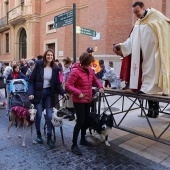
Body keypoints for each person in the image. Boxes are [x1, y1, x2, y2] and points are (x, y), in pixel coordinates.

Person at [113, 1, 170, 118]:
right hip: (144, 56)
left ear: (143, 8)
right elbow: (131, 41)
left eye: (137, 12)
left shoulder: (156, 16)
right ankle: (150, 103)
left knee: (154, 72)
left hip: (156, 53)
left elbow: (166, 29)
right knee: (145, 72)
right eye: (134, 13)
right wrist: (121, 46)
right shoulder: (138, 23)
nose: (136, 15)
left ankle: (154, 104)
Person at [28, 49, 68, 149]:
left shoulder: (55, 68)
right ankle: (38, 134)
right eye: (48, 55)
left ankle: (49, 137)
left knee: (49, 116)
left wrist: (63, 93)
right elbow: (31, 81)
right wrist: (31, 93)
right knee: (39, 115)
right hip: (38, 94)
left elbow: (58, 85)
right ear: (45, 56)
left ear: (53, 57)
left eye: (51, 55)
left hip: (49, 94)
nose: (50, 56)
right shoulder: (38, 66)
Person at [65, 52, 104, 156]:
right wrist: (78, 93)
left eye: (90, 64)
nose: (90, 66)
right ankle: (74, 144)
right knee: (80, 121)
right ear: (83, 63)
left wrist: (100, 86)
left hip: (88, 99)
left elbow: (95, 80)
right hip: (79, 100)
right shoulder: (75, 71)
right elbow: (67, 85)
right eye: (88, 64)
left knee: (85, 120)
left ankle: (82, 140)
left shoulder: (90, 70)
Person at [87, 47, 101, 113]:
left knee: (93, 102)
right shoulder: (85, 62)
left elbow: (96, 73)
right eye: (89, 52)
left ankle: (93, 115)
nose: (90, 53)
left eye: (91, 52)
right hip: (86, 85)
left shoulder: (96, 62)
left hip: (93, 85)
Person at [62, 57, 75, 121]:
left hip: (70, 86)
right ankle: (68, 114)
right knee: (66, 102)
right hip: (65, 85)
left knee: (70, 102)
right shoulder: (66, 69)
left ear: (69, 63)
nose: (64, 65)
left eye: (65, 64)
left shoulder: (71, 69)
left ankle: (72, 115)